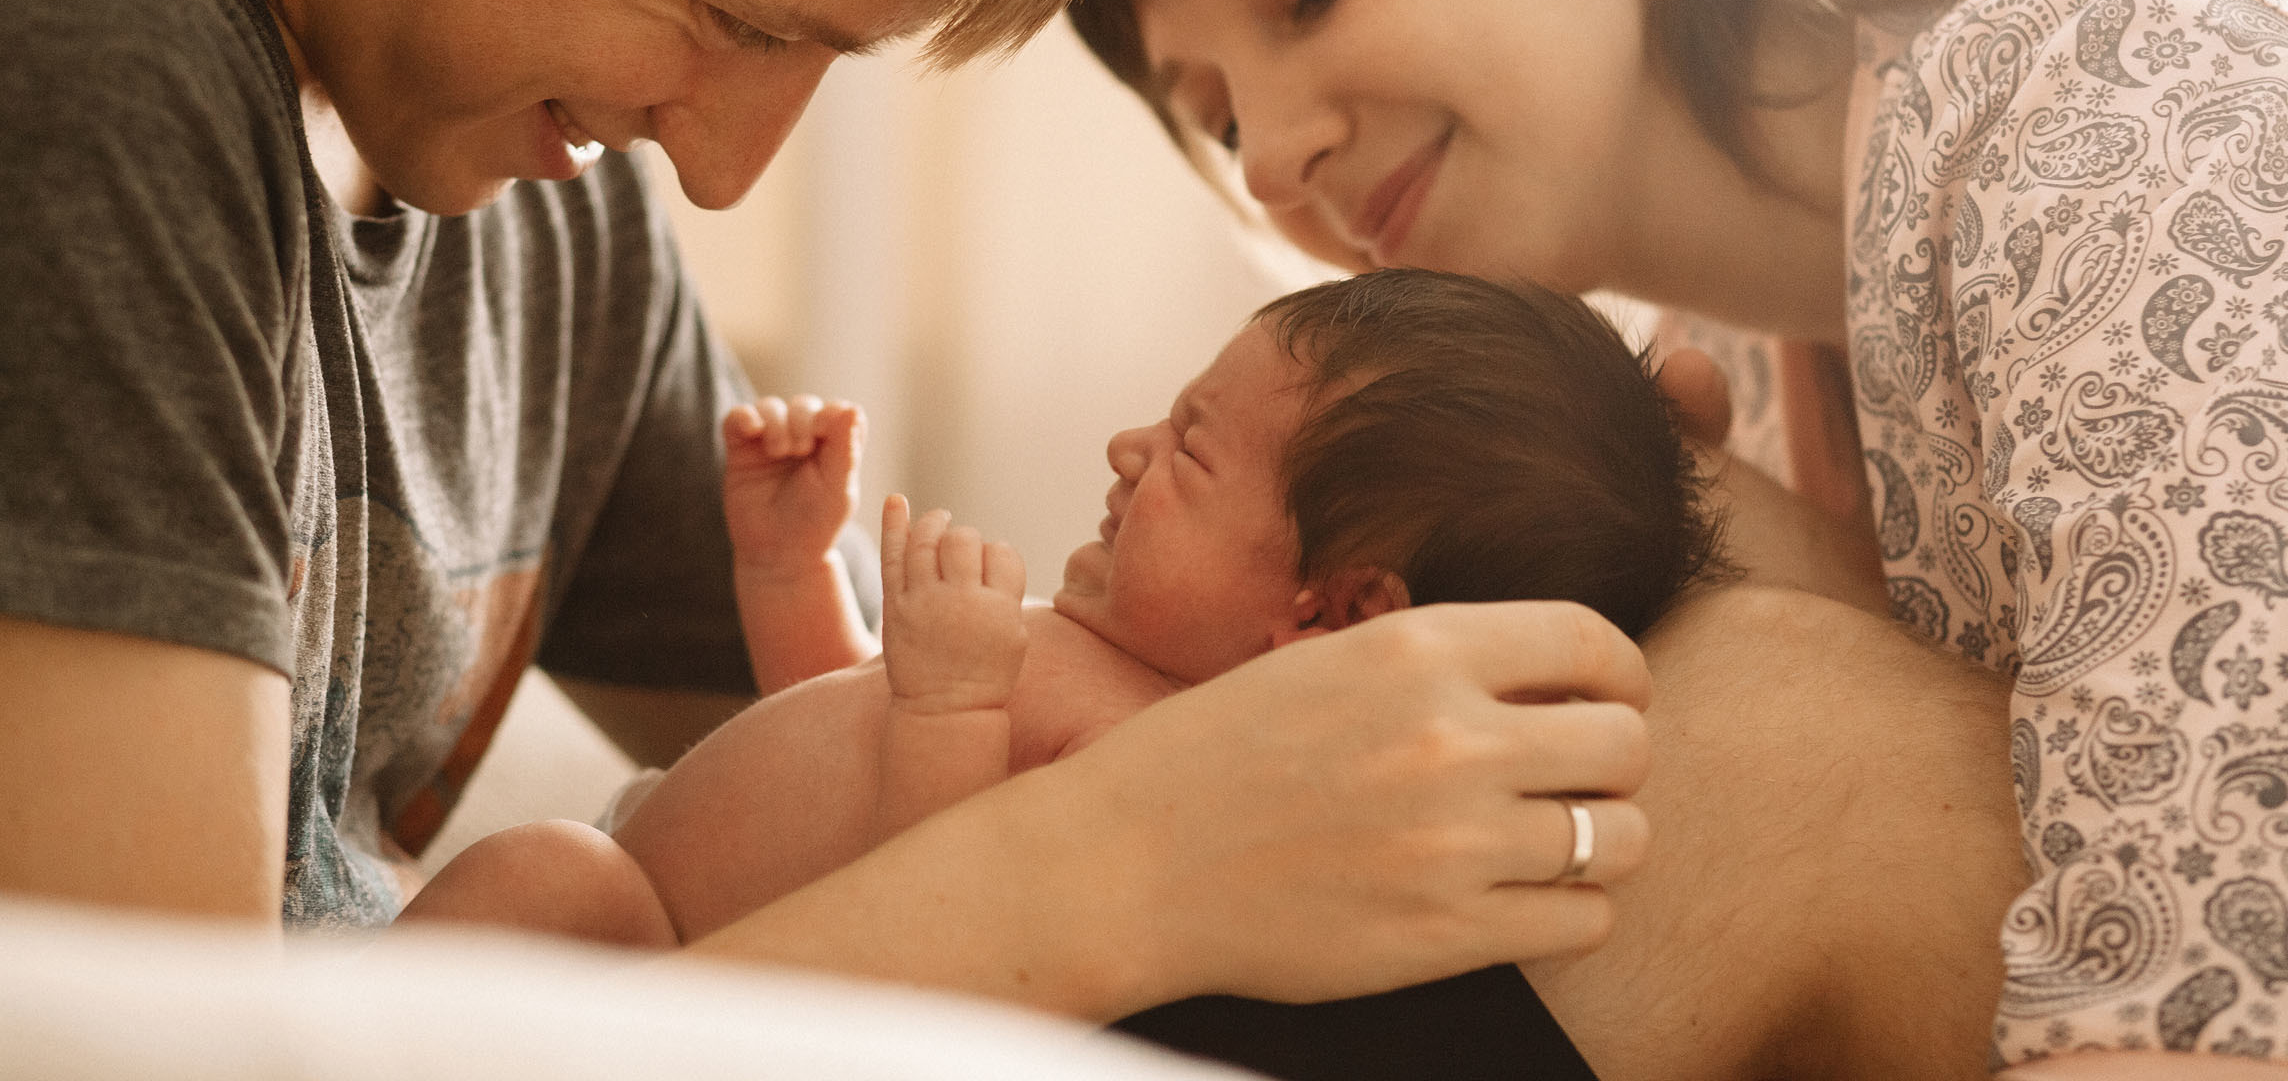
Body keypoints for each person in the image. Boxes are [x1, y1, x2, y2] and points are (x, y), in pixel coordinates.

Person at [0, 0, 1660, 1027]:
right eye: (728, 15)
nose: (720, 174)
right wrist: (1103, 876)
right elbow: (152, 1053)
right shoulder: (66, 49)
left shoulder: (535, 178)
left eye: (818, 58)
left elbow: (841, 754)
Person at [1068, 0, 2288, 1070]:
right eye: (1221, 121)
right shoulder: (1739, 376)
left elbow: (2257, 969)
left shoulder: (2126, 90)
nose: (1281, 154)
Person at [398, 269, 1722, 947]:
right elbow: (830, 738)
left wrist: (951, 701)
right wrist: (790, 567)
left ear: (1330, 616)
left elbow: (945, 901)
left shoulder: (1166, 760)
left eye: (1193, 453)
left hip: (674, 948)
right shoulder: (1095, 652)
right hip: (687, 919)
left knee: (538, 876)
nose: (1127, 448)